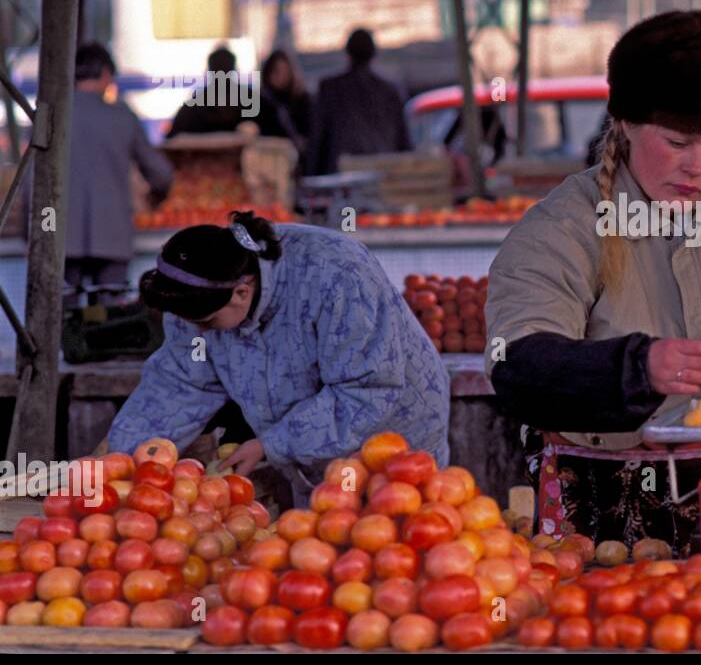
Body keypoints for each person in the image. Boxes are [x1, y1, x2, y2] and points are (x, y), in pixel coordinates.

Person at [486, 10, 701, 551]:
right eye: (677, 143)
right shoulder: (563, 227)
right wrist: (637, 366)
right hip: (600, 525)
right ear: (625, 124)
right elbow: (516, 366)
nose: (697, 168)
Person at [106, 211, 450, 502]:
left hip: (392, 433)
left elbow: (367, 390)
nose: (199, 334)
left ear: (241, 292)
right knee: (321, 549)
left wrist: (274, 443)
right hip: (309, 452)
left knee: (394, 541)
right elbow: (180, 383)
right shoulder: (194, 292)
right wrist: (119, 461)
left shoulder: (338, 275)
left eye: (206, 323)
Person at [65, 42, 173, 303]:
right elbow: (160, 174)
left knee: (60, 316)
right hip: (112, 235)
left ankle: (67, 344)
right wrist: (156, 197)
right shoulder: (122, 116)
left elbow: (31, 181)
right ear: (105, 73)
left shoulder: (55, 115)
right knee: (109, 319)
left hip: (61, 236)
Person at [308, 28, 411, 175]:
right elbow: (404, 143)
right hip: (383, 175)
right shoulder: (390, 91)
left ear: (347, 53)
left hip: (341, 179)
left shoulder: (330, 88)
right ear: (373, 54)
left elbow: (317, 141)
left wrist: (311, 177)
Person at [168, 46, 247, 137]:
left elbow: (172, 138)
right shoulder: (251, 100)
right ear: (235, 69)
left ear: (208, 70)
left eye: (224, 69)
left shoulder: (194, 104)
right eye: (219, 69)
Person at [254, 49, 309, 146]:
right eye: (277, 72)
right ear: (268, 73)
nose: (281, 77)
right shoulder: (262, 101)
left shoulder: (302, 100)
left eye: (285, 72)